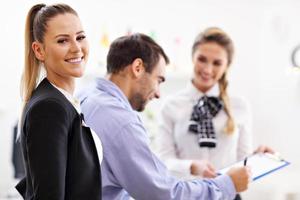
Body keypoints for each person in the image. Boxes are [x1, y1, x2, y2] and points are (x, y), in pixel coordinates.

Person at [79, 33, 251, 200]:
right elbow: (163, 193)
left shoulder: (86, 96)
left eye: (217, 62)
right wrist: (225, 184)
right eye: (159, 80)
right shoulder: (123, 122)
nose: (158, 94)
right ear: (137, 68)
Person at [155, 27, 273, 200]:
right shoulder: (171, 105)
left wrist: (259, 157)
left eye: (217, 63)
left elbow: (242, 161)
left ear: (227, 66)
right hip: (187, 195)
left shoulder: (239, 106)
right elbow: (163, 161)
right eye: (202, 59)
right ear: (192, 58)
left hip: (228, 196)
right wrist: (192, 166)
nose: (208, 69)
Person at [16, 3, 102, 200]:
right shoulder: (49, 108)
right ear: (39, 51)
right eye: (63, 41)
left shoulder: (63, 101)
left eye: (80, 37)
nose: (76, 48)